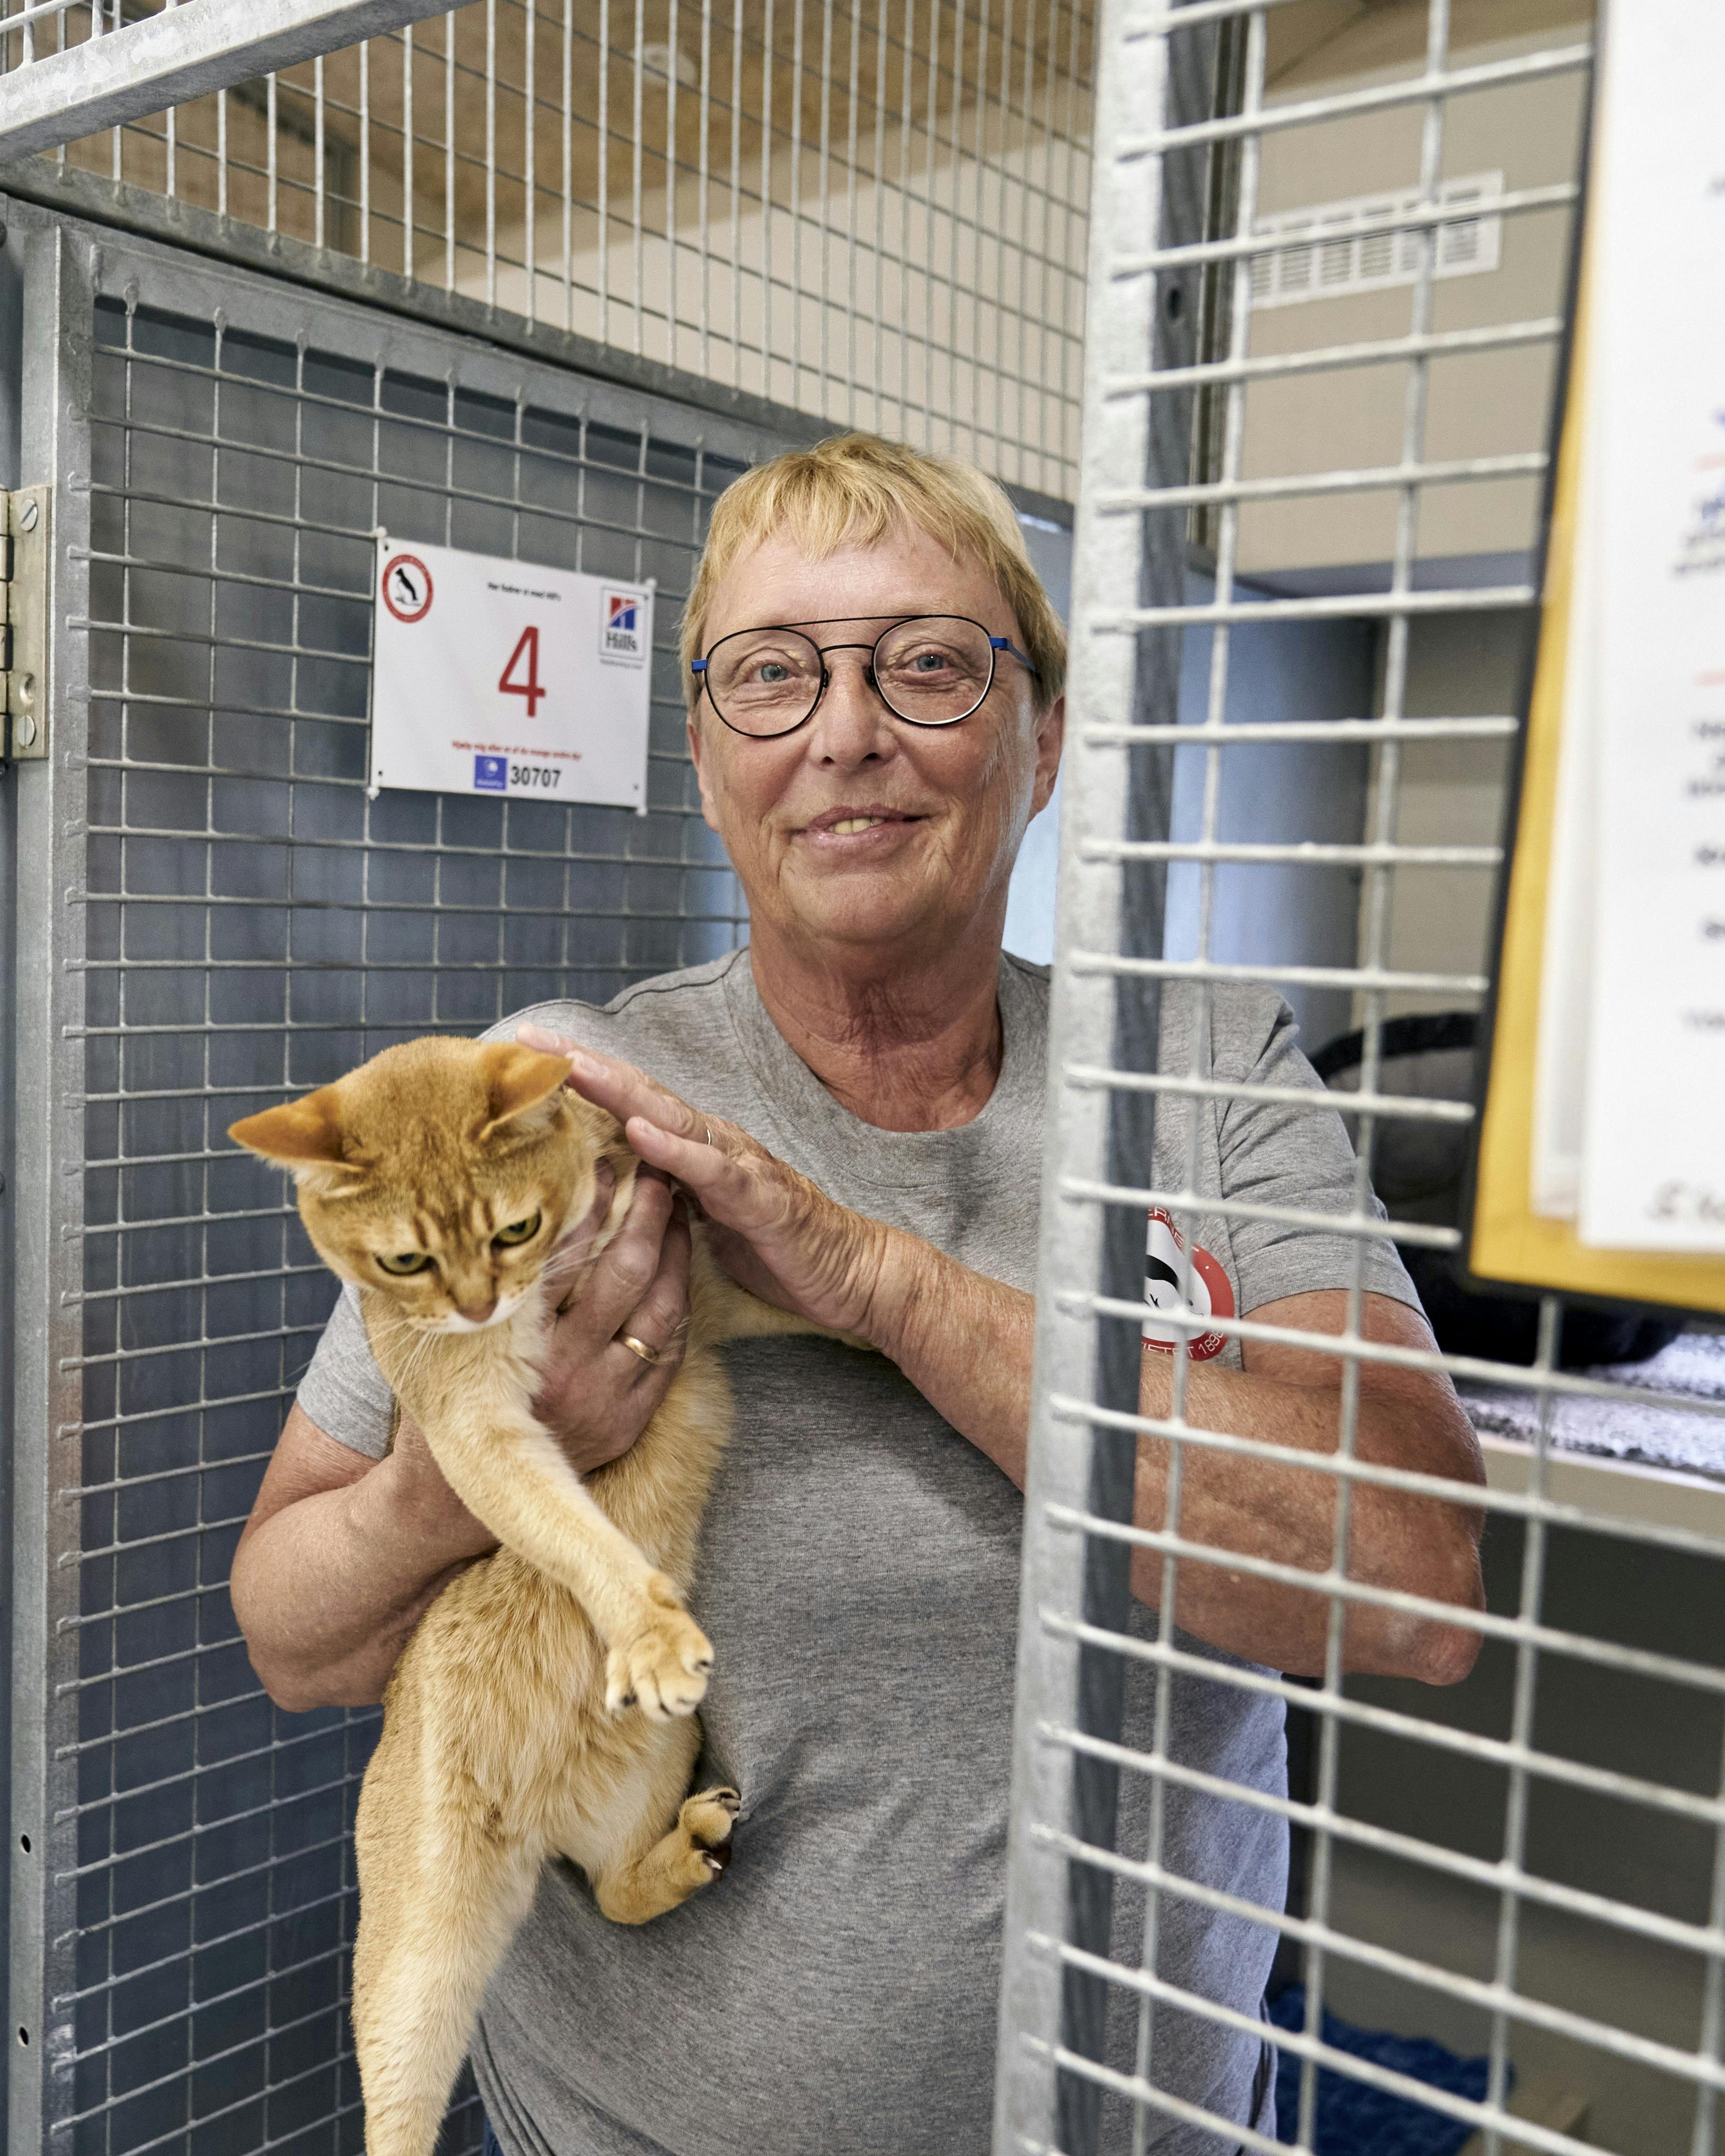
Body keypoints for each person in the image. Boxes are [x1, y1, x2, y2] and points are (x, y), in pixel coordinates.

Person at [231, 432, 1484, 2155]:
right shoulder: (566, 1098)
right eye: (771, 675)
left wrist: (880, 1283)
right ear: (703, 753)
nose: (845, 733)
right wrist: (468, 1478)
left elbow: (1410, 1583)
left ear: (1040, 738)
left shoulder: (1202, 1074)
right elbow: (297, 1633)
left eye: (927, 664)